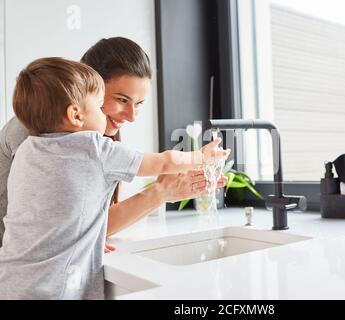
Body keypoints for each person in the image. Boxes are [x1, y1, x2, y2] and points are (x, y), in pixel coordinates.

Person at [0, 57, 230, 299]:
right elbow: (166, 161)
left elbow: (52, 214)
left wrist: (90, 236)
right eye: (103, 105)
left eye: (139, 103)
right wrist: (202, 157)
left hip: (10, 280)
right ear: (76, 114)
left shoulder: (28, 148)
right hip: (54, 290)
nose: (131, 117)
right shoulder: (92, 147)